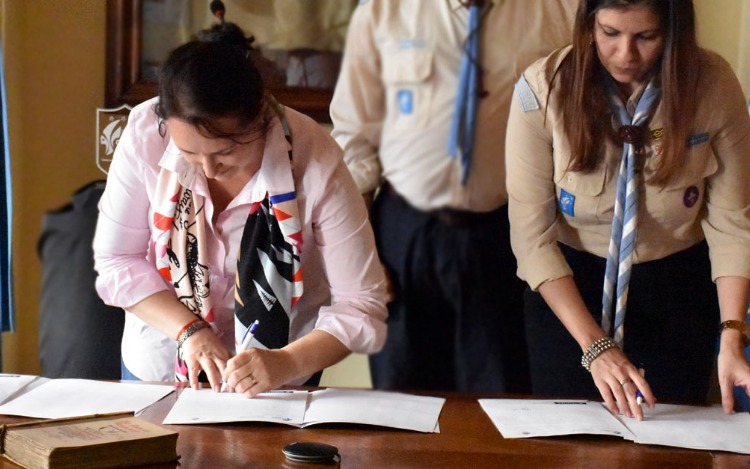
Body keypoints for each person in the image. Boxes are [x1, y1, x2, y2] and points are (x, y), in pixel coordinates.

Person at [92, 35, 389, 396]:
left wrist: (288, 362)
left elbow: (361, 303)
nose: (208, 169)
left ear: (261, 117)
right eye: (189, 153)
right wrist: (190, 331)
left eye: (225, 152)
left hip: (280, 372)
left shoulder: (315, 159)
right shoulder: (145, 134)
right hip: (160, 360)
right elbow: (117, 260)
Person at [505, 0, 750, 419]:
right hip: (569, 292)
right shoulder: (542, 89)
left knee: (671, 439)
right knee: (571, 441)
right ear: (588, 25)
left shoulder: (713, 85)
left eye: (646, 37)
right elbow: (532, 237)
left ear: (673, 31)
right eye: (610, 33)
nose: (625, 54)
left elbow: (732, 222)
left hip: (677, 290)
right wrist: (596, 347)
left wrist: (732, 334)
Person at [329, 0, 577, 393]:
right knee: (403, 399)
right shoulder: (383, 12)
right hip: (403, 235)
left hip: (506, 233)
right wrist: (363, 253)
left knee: (501, 395)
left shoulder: (560, 12)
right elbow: (354, 143)